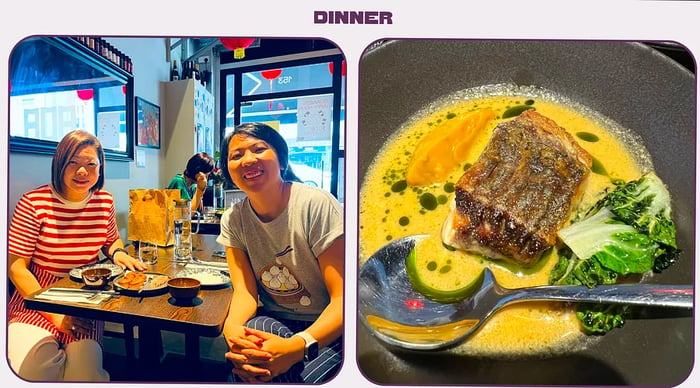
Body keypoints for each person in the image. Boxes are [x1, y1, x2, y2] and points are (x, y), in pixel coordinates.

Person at [7, 130, 148, 381]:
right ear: (59, 164)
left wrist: (117, 253)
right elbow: (17, 268)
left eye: (90, 164)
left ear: (100, 168)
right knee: (35, 371)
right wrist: (57, 316)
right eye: (73, 162)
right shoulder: (33, 202)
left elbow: (110, 240)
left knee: (85, 374)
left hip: (85, 294)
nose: (82, 171)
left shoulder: (103, 201)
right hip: (38, 295)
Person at [216, 123, 344, 384]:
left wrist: (298, 346)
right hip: (275, 320)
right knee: (252, 351)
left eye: (259, 149)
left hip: (329, 325)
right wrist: (231, 329)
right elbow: (245, 293)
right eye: (236, 155)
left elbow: (343, 299)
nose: (248, 160)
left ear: (282, 159)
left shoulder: (314, 204)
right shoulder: (233, 219)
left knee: (295, 377)